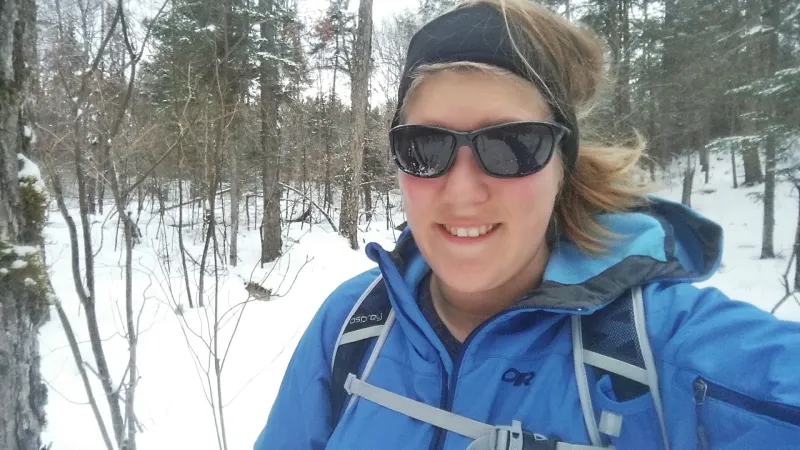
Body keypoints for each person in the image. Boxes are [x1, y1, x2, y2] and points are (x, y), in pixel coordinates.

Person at [254, 1, 800, 449]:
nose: (462, 190)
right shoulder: (353, 325)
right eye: (425, 147)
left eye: (512, 145)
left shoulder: (660, 350)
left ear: (562, 163)